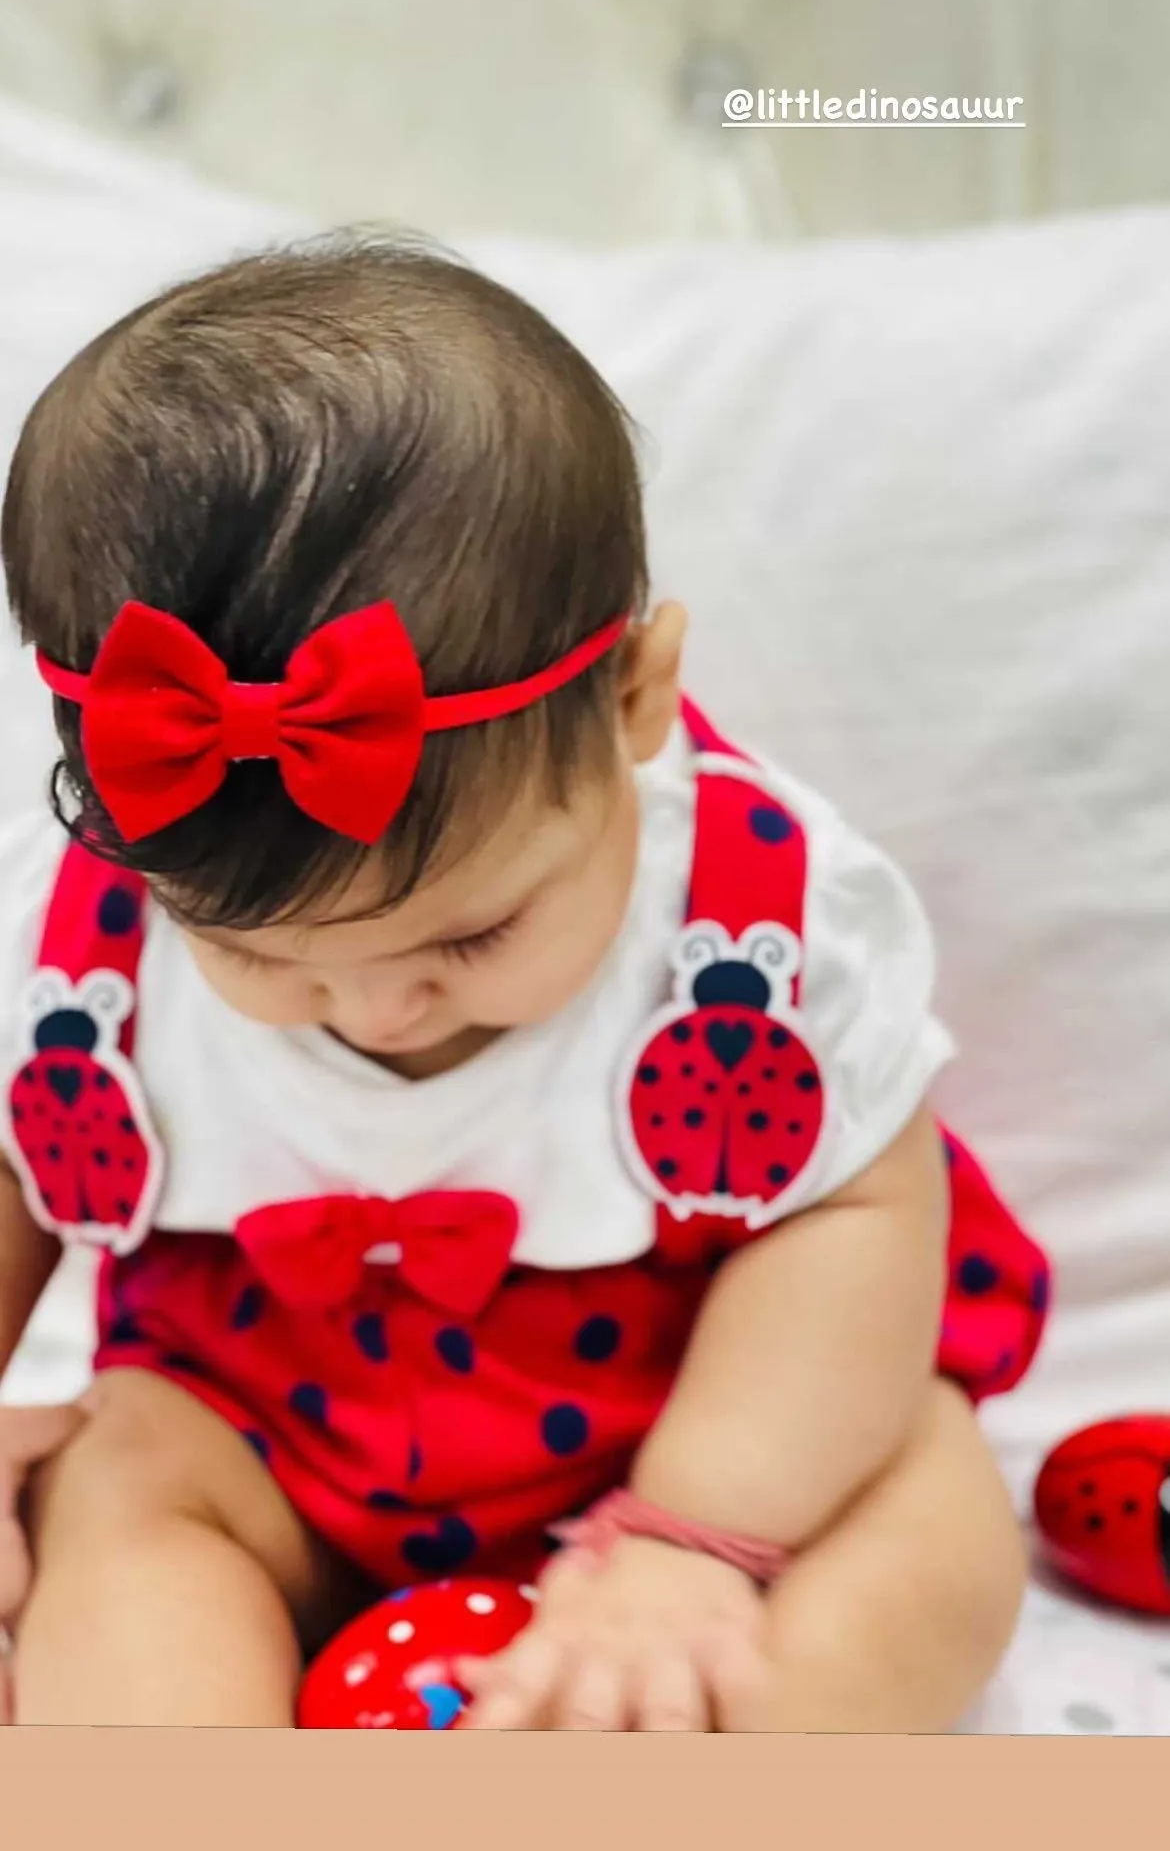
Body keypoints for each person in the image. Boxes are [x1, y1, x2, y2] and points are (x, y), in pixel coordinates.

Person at [0, 233, 1048, 1732]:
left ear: (634, 695)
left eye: (467, 940)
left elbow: (857, 1219)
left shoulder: (757, 926)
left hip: (709, 1423)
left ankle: (665, 1757)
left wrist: (696, 1536)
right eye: (258, 957)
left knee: (926, 1526)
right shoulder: (73, 936)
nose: (374, 1012)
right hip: (266, 1426)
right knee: (122, 1491)